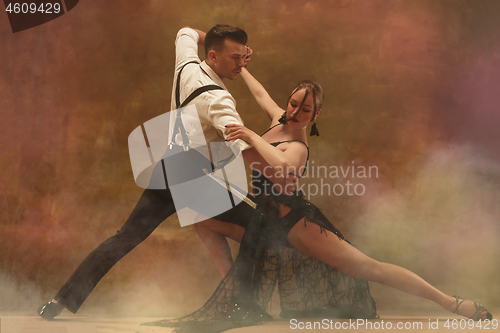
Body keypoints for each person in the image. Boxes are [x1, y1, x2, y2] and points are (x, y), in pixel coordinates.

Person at [148, 67, 492, 332]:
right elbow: (260, 94)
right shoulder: (278, 120)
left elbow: (280, 164)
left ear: (316, 115)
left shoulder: (297, 146)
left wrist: (251, 135)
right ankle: (240, 294)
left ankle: (451, 303)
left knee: (369, 268)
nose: (295, 111)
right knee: (202, 219)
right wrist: (243, 70)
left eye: (305, 109)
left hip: (297, 225)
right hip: (266, 226)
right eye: (293, 103)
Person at [36, 24, 270, 320]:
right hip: (197, 181)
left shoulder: (186, 65)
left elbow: (185, 31)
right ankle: (239, 303)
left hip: (170, 170)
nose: (241, 63)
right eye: (235, 58)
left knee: (125, 238)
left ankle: (58, 302)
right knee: (263, 225)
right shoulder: (218, 99)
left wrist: (223, 44)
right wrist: (280, 166)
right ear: (212, 56)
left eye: (242, 56)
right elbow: (243, 144)